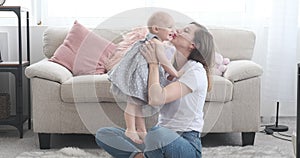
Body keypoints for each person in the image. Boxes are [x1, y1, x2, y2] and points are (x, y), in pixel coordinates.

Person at [96, 22, 215, 158]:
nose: (178, 30)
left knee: (156, 134)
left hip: (186, 143)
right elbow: (143, 96)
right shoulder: (168, 67)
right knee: (105, 134)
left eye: (186, 31)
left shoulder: (196, 71)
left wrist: (153, 63)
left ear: (193, 45)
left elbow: (156, 98)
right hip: (159, 138)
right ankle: (140, 156)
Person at [107, 11, 181, 144]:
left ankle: (141, 130)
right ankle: (130, 129)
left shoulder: (150, 40)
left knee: (138, 104)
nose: (173, 30)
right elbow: (164, 62)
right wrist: (176, 73)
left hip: (140, 75)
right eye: (170, 27)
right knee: (132, 103)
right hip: (138, 77)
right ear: (156, 29)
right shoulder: (156, 43)